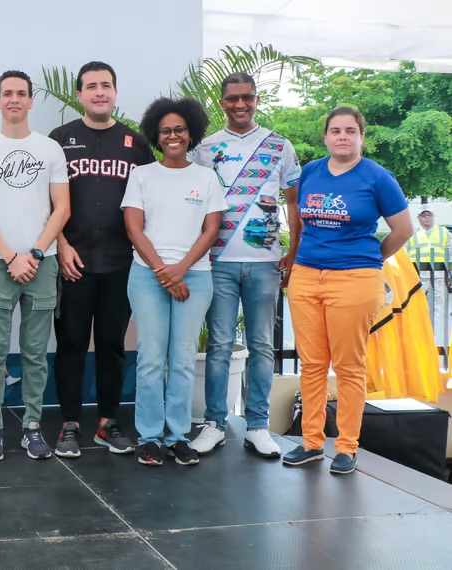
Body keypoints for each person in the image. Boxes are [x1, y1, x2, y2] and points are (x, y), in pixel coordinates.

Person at [282, 106, 411, 475]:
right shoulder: (311, 172)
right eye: (335, 130)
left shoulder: (378, 177)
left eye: (350, 131)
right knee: (312, 364)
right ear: (325, 137)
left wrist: (371, 259)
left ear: (361, 137)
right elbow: (301, 219)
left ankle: (347, 447)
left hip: (355, 280)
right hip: (307, 277)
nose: (342, 136)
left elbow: (403, 229)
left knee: (349, 366)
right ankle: (311, 442)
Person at [189, 73, 302, 459]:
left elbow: (293, 203)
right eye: (233, 98)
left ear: (257, 99)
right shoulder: (205, 149)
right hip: (218, 261)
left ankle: (257, 426)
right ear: (223, 102)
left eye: (247, 97)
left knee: (261, 346)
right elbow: (196, 203)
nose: (241, 104)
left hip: (265, 263)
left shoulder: (279, 145)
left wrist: (293, 252)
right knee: (219, 345)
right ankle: (215, 424)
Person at [47, 61, 156, 458]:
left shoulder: (136, 144)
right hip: (72, 261)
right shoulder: (59, 140)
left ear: (115, 93)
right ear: (79, 94)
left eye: (105, 85)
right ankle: (70, 424)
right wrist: (60, 243)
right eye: (91, 86)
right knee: (71, 344)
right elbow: (45, 200)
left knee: (112, 345)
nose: (99, 92)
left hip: (120, 262)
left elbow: (150, 201)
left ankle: (108, 423)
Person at [0, 70, 71, 461]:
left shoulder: (50, 149)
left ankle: (32, 427)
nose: (14, 99)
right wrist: (11, 257)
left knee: (35, 353)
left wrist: (36, 254)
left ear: (30, 101)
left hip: (42, 263)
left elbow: (62, 208)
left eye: (21, 93)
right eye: (7, 93)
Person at [122, 97, 227, 467]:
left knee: (182, 359)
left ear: (191, 133)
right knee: (151, 358)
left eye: (179, 129)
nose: (173, 136)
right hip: (147, 275)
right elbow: (134, 228)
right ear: (156, 135)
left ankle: (178, 436)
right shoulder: (142, 176)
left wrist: (180, 269)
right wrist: (164, 272)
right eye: (165, 130)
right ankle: (149, 437)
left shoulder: (206, 178)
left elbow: (211, 229)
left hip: (194, 276)